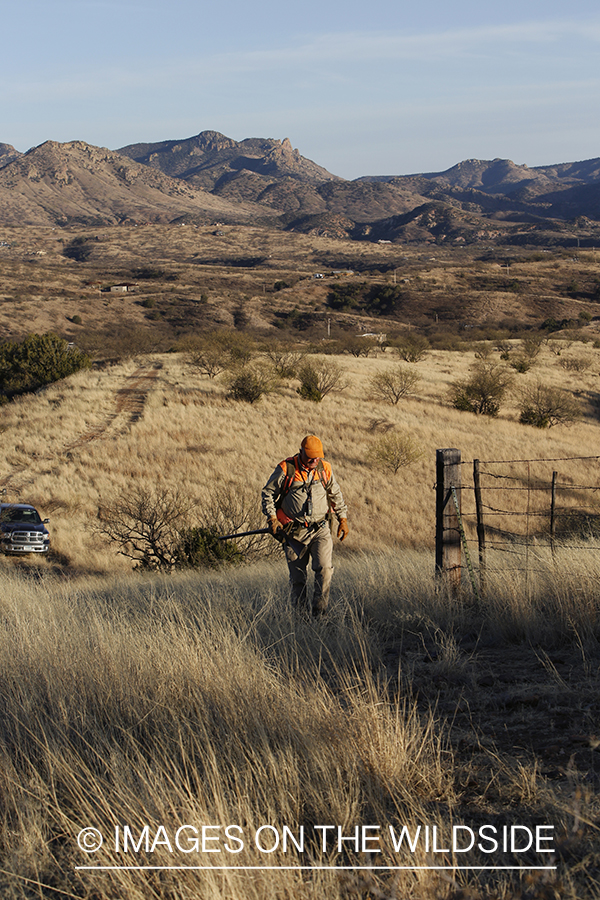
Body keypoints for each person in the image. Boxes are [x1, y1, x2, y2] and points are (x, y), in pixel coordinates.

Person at [261, 434, 348, 616]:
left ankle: (319, 613)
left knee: (324, 570)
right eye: (310, 457)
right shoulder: (286, 469)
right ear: (301, 452)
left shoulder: (325, 469)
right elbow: (267, 493)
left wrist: (343, 519)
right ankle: (300, 619)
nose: (314, 460)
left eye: (318, 457)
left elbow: (335, 494)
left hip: (321, 530)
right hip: (294, 533)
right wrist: (272, 518)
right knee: (298, 579)